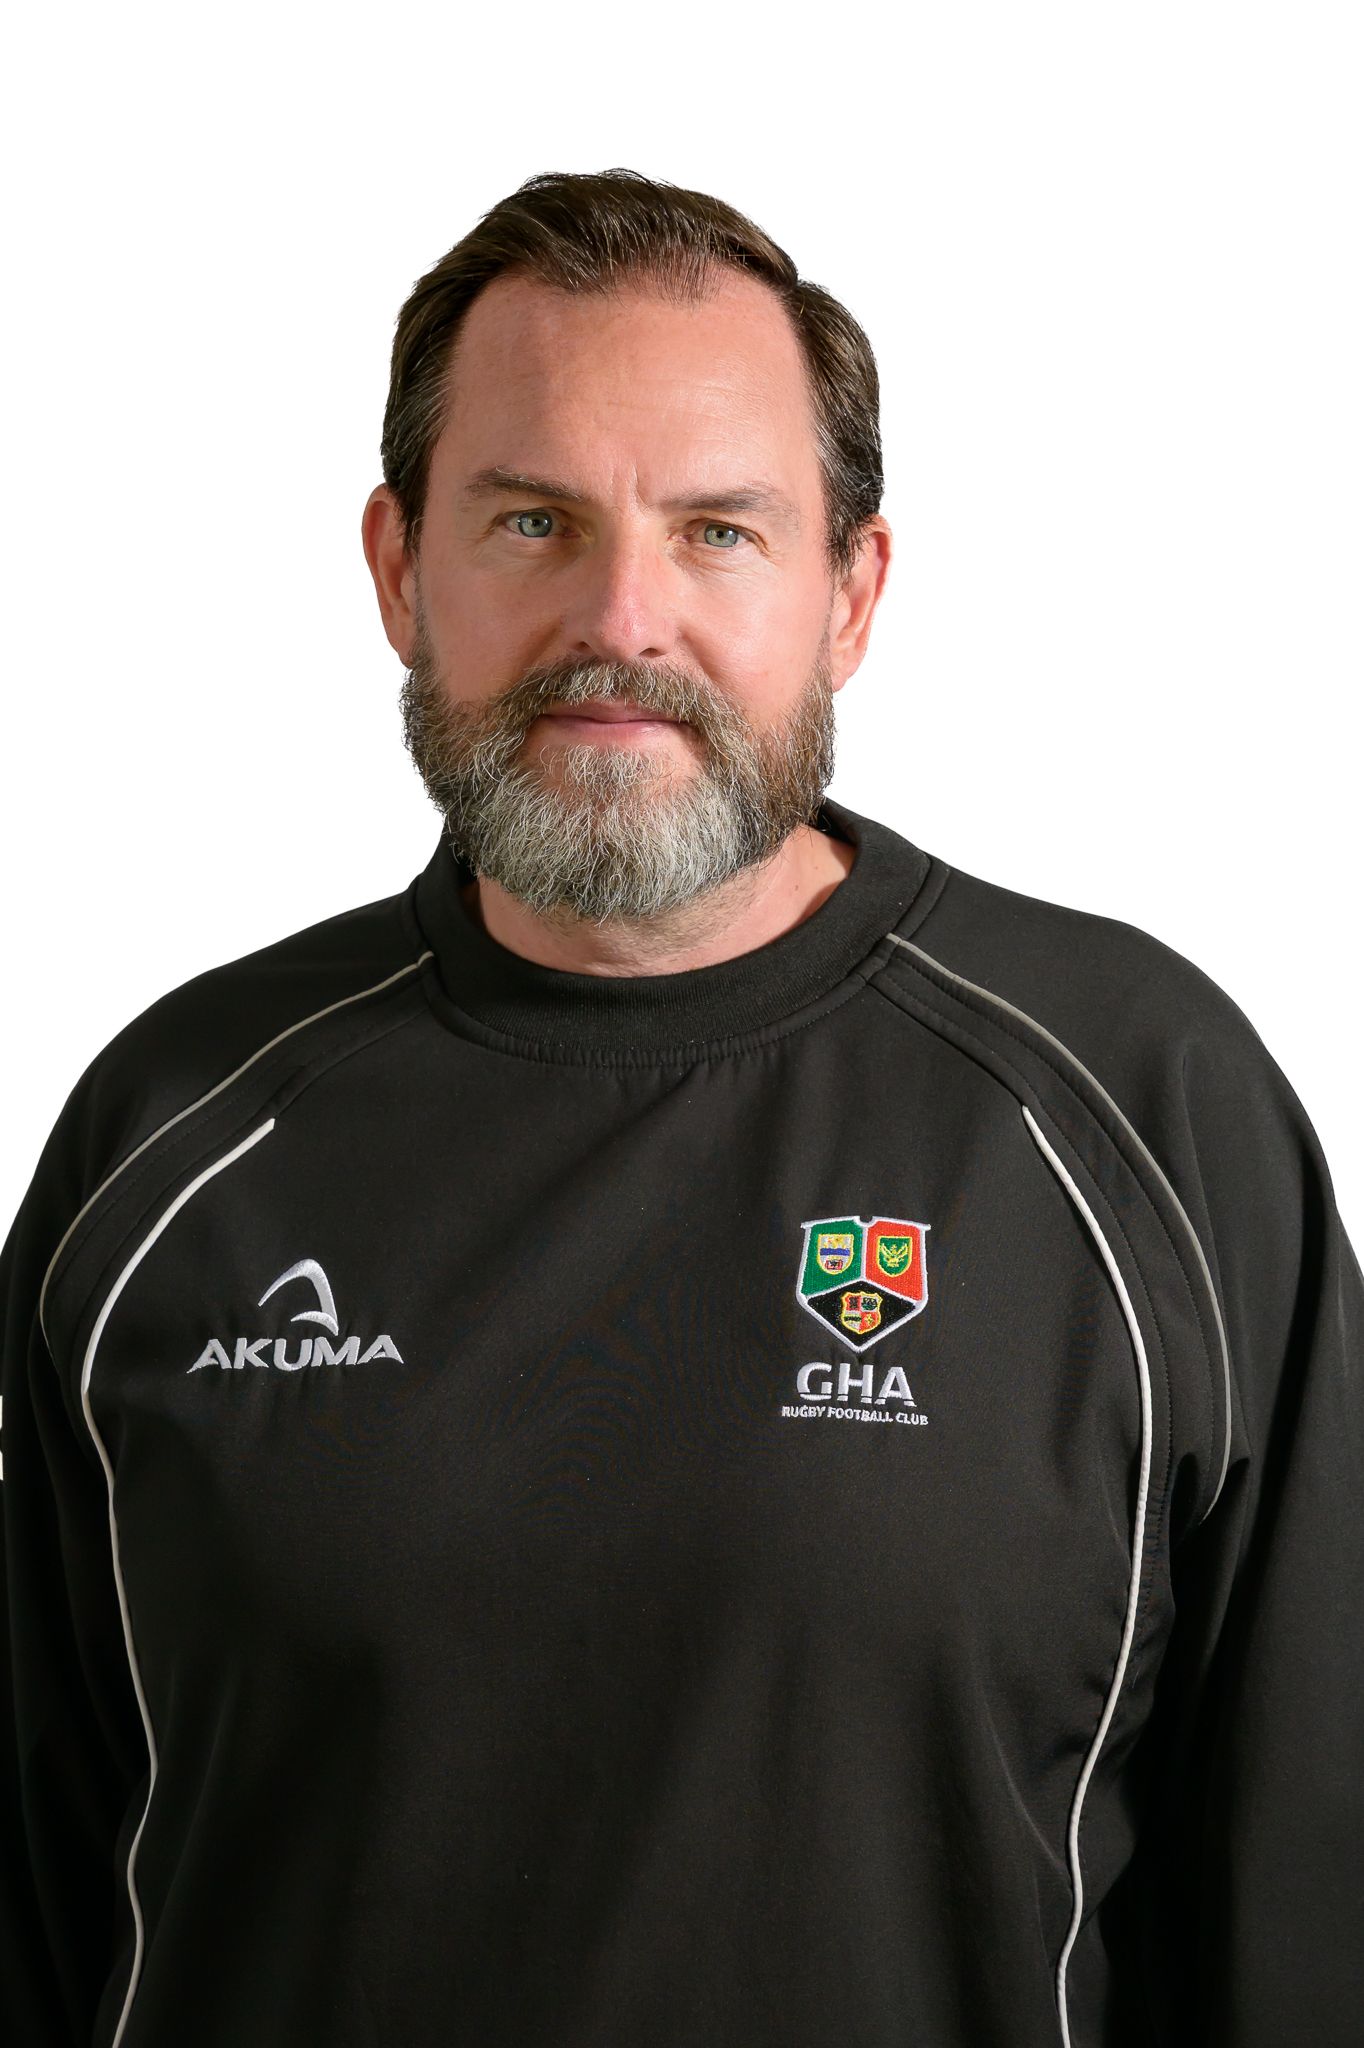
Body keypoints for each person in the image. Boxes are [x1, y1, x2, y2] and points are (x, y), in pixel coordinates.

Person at [2, 167, 1360, 2048]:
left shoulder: (1147, 1112)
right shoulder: (171, 1137)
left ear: (851, 595)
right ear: (399, 571)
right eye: (534, 520)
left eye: (718, 531)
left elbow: (1311, 1914)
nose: (620, 617)